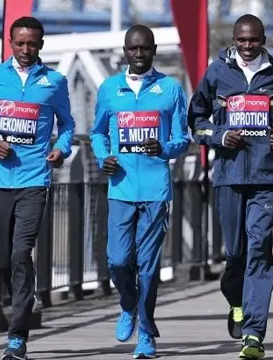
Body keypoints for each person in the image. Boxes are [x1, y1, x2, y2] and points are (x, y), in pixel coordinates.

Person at [188, 14, 273, 359]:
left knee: (259, 250)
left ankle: (254, 333)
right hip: (227, 175)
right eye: (242, 40)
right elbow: (195, 121)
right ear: (234, 40)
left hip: (265, 178)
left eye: (254, 40)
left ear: (263, 39)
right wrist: (221, 135)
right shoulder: (216, 72)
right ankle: (236, 302)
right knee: (236, 254)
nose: (248, 46)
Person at [0, 16, 75, 360]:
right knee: (2, 257)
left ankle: (17, 337)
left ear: (41, 44)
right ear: (11, 43)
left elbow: (68, 124)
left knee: (20, 252)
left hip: (34, 180)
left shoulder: (54, 81)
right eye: (20, 43)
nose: (26, 50)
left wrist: (62, 149)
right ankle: (20, 300)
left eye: (33, 44)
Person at [90, 25, 190, 359]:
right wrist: (104, 158)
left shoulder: (170, 89)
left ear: (153, 50)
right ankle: (128, 306)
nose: (138, 54)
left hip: (155, 190)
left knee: (147, 266)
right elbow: (98, 133)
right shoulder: (109, 89)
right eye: (133, 49)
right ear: (124, 50)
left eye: (144, 48)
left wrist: (163, 147)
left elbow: (183, 139)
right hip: (120, 188)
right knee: (118, 261)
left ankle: (146, 335)